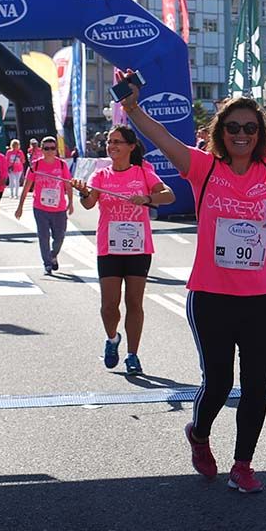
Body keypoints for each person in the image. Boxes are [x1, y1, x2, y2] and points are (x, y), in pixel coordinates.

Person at [115, 50, 266, 492]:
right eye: (233, 127)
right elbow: (162, 137)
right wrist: (132, 108)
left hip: (261, 299)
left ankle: (243, 464)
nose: (242, 134)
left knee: (257, 384)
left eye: (250, 128)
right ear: (221, 133)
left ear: (259, 133)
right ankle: (199, 433)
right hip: (211, 296)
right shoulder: (203, 168)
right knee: (219, 382)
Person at [71, 126, 175, 376]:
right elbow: (88, 204)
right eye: (109, 142)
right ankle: (112, 338)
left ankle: (132, 354)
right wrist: (82, 191)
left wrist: (147, 199)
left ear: (131, 146)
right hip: (109, 247)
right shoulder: (101, 175)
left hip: (138, 247)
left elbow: (168, 195)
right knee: (109, 305)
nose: (111, 146)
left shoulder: (143, 172)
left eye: (117, 142)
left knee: (134, 303)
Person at [16, 136, 73, 275]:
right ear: (41, 149)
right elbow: (27, 187)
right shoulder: (35, 165)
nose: (49, 151)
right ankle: (47, 263)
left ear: (56, 150)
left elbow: (68, 184)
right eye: (46, 148)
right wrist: (20, 206)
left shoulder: (62, 165)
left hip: (59, 208)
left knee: (59, 236)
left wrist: (71, 203)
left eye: (52, 148)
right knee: (43, 235)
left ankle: (53, 254)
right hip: (40, 207)